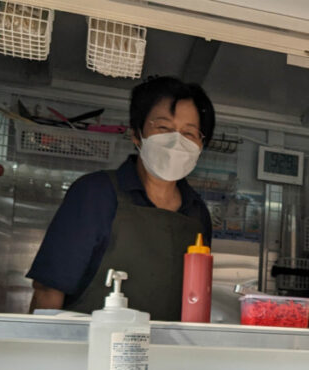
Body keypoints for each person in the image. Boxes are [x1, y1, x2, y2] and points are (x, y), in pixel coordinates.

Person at [27, 76, 215, 320]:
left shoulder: (197, 212)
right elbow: (48, 291)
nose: (176, 142)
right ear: (137, 134)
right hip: (86, 352)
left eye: (189, 133)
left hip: (168, 355)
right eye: (163, 128)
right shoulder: (95, 193)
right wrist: (45, 353)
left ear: (201, 144)